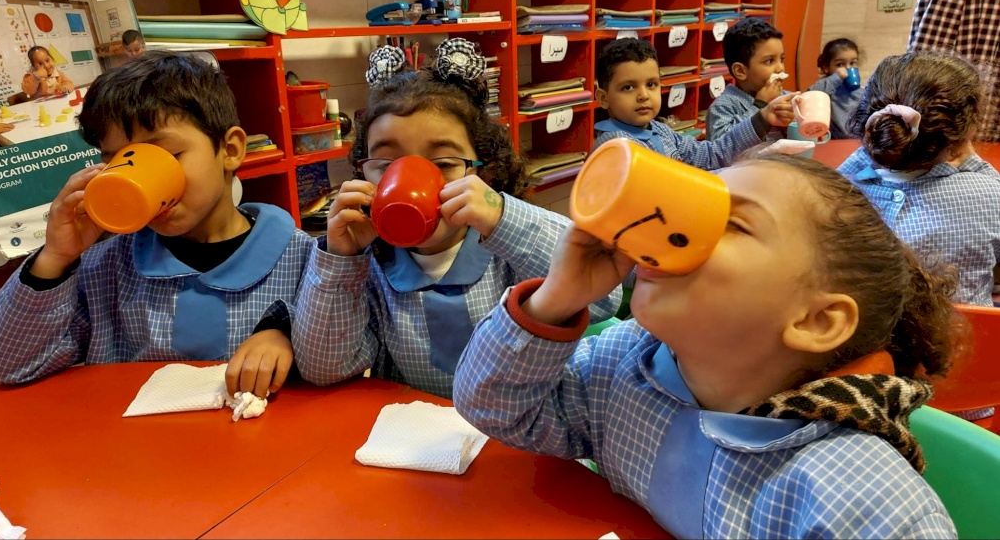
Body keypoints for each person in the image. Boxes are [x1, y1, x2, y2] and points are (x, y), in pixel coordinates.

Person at [454, 152, 961, 538]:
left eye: (732, 223)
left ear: (817, 320)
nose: (682, 230)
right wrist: (554, 299)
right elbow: (495, 408)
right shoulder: (629, 365)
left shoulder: (862, 499)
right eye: (699, 205)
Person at [294, 39, 621, 399]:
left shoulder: (505, 248)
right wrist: (340, 261)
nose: (410, 179)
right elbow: (324, 368)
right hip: (416, 436)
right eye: (387, 166)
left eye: (445, 164)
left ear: (484, 171)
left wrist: (504, 219)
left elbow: (604, 296)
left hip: (519, 428)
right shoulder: (369, 263)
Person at [0, 51, 315, 401]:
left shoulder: (304, 260)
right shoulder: (104, 269)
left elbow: (336, 357)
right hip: (132, 449)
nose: (138, 180)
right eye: (119, 161)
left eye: (166, 155)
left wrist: (284, 330)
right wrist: (55, 257)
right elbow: (11, 366)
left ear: (229, 150)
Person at [839, 51, 1000, 308]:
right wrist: (970, 158)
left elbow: (842, 174)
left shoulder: (838, 196)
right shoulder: (990, 195)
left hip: (866, 341)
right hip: (968, 340)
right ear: (963, 136)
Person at [595, 38, 794, 166]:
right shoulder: (617, 145)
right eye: (628, 87)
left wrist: (762, 118)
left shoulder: (659, 129)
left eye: (651, 84)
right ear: (604, 98)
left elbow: (710, 154)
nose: (643, 95)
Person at [706, 18, 788, 141]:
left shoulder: (785, 98)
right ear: (740, 71)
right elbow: (721, 148)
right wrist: (760, 106)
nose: (780, 68)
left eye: (781, 59)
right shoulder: (723, 107)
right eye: (769, 61)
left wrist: (792, 123)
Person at [809, 38, 863, 139]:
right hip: (837, 140)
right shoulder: (827, 86)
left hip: (859, 139)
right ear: (826, 67)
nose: (847, 68)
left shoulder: (860, 90)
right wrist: (836, 78)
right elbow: (811, 94)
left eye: (852, 63)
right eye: (840, 64)